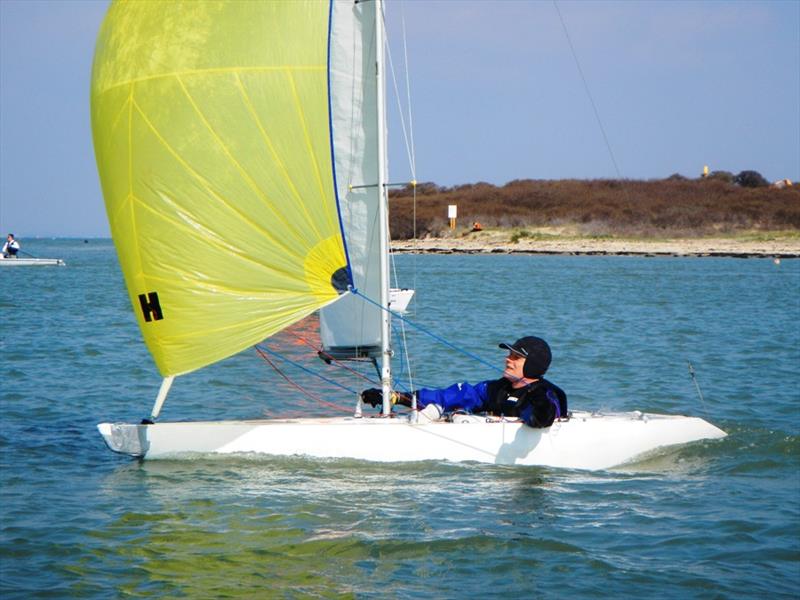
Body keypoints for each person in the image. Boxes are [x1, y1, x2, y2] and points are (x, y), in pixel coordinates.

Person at [361, 336, 567, 428]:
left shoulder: (546, 395)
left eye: (515, 357)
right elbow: (448, 397)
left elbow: (541, 418)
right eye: (508, 355)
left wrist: (541, 409)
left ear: (532, 365)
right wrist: (395, 397)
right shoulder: (495, 389)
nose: (507, 359)